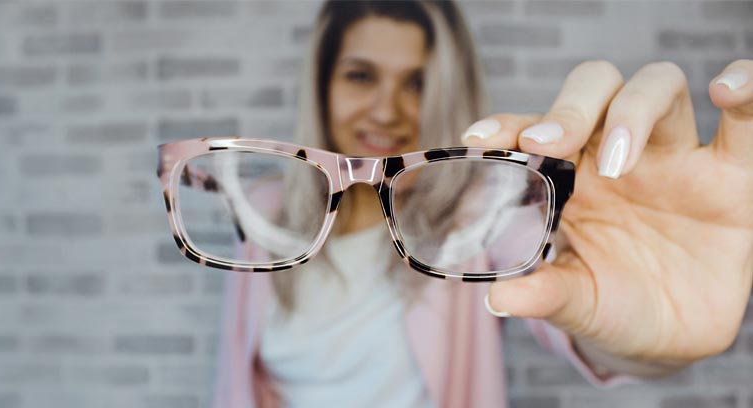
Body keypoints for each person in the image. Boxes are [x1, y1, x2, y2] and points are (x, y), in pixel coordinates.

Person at [209, 1, 753, 407]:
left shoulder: (480, 216)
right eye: (360, 75)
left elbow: (576, 311)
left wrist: (658, 328)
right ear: (321, 84)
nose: (385, 110)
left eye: (418, 83)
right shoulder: (265, 210)